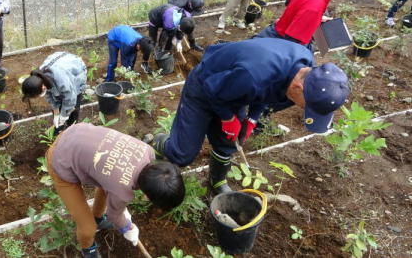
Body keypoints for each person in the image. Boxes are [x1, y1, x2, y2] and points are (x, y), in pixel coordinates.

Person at [151, 38, 350, 195]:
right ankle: (158, 142)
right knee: (182, 155)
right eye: (306, 107)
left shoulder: (305, 68)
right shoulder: (253, 76)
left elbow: (269, 90)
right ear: (299, 88)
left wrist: (252, 119)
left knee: (230, 142)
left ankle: (216, 180)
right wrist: (228, 119)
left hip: (234, 89)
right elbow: (214, 89)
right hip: (205, 86)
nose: (302, 110)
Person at [46, 123, 185, 258]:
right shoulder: (122, 192)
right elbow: (114, 216)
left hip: (77, 132)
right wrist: (127, 227)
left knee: (106, 186)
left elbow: (115, 179)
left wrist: (120, 208)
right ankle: (88, 249)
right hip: (60, 158)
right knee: (88, 228)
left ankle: (98, 218)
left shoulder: (147, 151)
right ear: (148, 197)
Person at [22, 52, 87, 133]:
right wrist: (56, 113)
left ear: (42, 87)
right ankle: (60, 129)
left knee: (72, 107)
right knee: (59, 102)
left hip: (76, 68)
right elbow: (49, 95)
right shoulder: (39, 78)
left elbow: (71, 98)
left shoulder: (61, 80)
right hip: (59, 63)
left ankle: (72, 128)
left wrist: (64, 115)